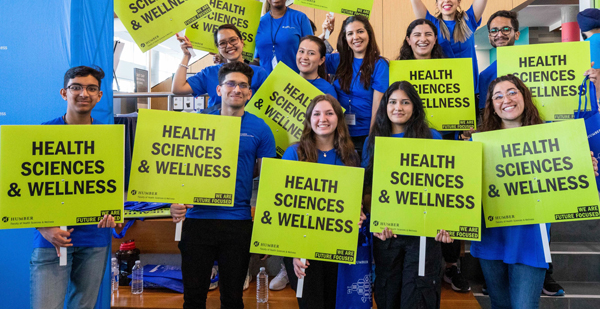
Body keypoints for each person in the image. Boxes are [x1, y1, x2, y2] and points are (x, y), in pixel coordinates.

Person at [469, 74, 598, 307]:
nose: (505, 99)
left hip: (530, 239)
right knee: (500, 305)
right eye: (497, 96)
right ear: (492, 107)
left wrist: (584, 165)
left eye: (512, 92)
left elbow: (568, 176)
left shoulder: (551, 135)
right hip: (491, 238)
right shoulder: (478, 143)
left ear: (524, 97)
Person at [170, 62, 276, 309]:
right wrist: (174, 201)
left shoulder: (261, 129)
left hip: (237, 223)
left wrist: (266, 231)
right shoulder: (199, 123)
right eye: (230, 83)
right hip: (198, 220)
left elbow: (270, 182)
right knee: (193, 298)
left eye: (243, 85)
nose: (236, 89)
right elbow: (179, 168)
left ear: (249, 93)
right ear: (218, 90)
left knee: (232, 299)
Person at [30, 65, 117, 309]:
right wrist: (45, 227)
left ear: (100, 96)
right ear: (64, 92)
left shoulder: (110, 137)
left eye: (91, 88)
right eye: (76, 87)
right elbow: (23, 190)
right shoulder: (41, 134)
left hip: (95, 239)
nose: (83, 93)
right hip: (51, 240)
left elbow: (115, 188)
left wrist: (115, 214)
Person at [361, 81, 454, 308]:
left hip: (422, 236)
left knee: (419, 298)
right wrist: (377, 219)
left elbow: (444, 185)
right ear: (385, 106)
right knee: (387, 295)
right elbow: (367, 189)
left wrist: (445, 223)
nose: (398, 107)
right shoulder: (372, 140)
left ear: (415, 107)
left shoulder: (432, 137)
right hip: (387, 234)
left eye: (405, 102)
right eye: (392, 102)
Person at [397, 19, 471, 292]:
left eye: (428, 34)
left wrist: (464, 130)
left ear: (435, 39)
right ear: (408, 39)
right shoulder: (398, 70)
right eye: (416, 34)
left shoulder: (452, 68)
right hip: (409, 143)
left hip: (444, 140)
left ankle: (451, 266)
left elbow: (463, 107)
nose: (422, 38)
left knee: (445, 198)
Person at [281, 94, 365, 308]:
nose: (323, 119)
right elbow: (283, 205)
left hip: (338, 246)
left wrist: (359, 213)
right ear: (309, 119)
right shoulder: (294, 153)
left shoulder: (351, 156)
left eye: (329, 113)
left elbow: (354, 201)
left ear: (338, 118)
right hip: (303, 247)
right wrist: (294, 252)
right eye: (317, 114)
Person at [409, 0, 491, 94]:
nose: (446, 0)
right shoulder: (431, 25)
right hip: (442, 91)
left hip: (468, 90)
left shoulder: (468, 20)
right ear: (437, 4)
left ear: (459, 2)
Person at [326, 15, 389, 156]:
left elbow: (378, 104)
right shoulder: (338, 60)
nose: (356, 37)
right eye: (350, 33)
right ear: (345, 38)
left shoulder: (379, 64)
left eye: (360, 31)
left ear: (369, 33)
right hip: (338, 133)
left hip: (365, 134)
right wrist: (325, 33)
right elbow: (309, 58)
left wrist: (372, 139)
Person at [173, 24, 268, 109]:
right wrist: (186, 56)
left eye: (233, 40)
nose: (229, 45)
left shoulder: (259, 73)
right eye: (222, 43)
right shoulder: (209, 73)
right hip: (217, 126)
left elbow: (268, 104)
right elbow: (178, 88)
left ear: (242, 42)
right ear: (218, 48)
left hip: (247, 127)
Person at [255, 0, 314, 74]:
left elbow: (312, 50)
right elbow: (256, 59)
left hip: (294, 82)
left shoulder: (300, 18)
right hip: (265, 84)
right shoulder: (259, 23)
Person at [478, 10, 521, 111]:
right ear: (490, 37)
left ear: (517, 34)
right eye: (494, 31)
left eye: (506, 29)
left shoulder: (534, 66)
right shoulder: (485, 76)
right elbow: (485, 113)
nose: (500, 34)